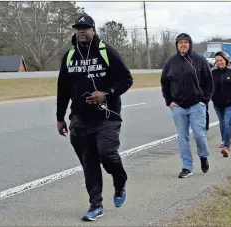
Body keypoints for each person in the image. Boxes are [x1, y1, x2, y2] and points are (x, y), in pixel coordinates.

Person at [56, 15, 133, 221]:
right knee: (89, 162)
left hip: (107, 116)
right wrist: (60, 117)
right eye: (78, 28)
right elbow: (62, 88)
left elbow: (126, 79)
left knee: (107, 154)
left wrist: (106, 93)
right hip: (80, 119)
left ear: (93, 29)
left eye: (85, 27)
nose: (81, 31)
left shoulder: (106, 52)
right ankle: (95, 205)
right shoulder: (70, 56)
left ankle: (119, 183)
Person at [160, 33, 214, 178]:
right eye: (180, 43)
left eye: (186, 42)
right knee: (182, 137)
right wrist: (169, 101)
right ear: (177, 45)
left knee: (199, 135)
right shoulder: (170, 62)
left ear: (190, 44)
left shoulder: (199, 60)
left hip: (197, 105)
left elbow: (209, 82)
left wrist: (204, 100)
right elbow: (165, 83)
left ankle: (203, 156)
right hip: (178, 106)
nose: (183, 45)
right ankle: (187, 167)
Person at [211, 51, 231, 157]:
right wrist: (211, 97)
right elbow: (209, 85)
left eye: (221, 60)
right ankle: (226, 141)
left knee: (227, 123)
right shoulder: (213, 71)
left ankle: (226, 147)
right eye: (217, 61)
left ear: (226, 60)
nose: (219, 62)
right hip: (217, 103)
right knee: (222, 123)